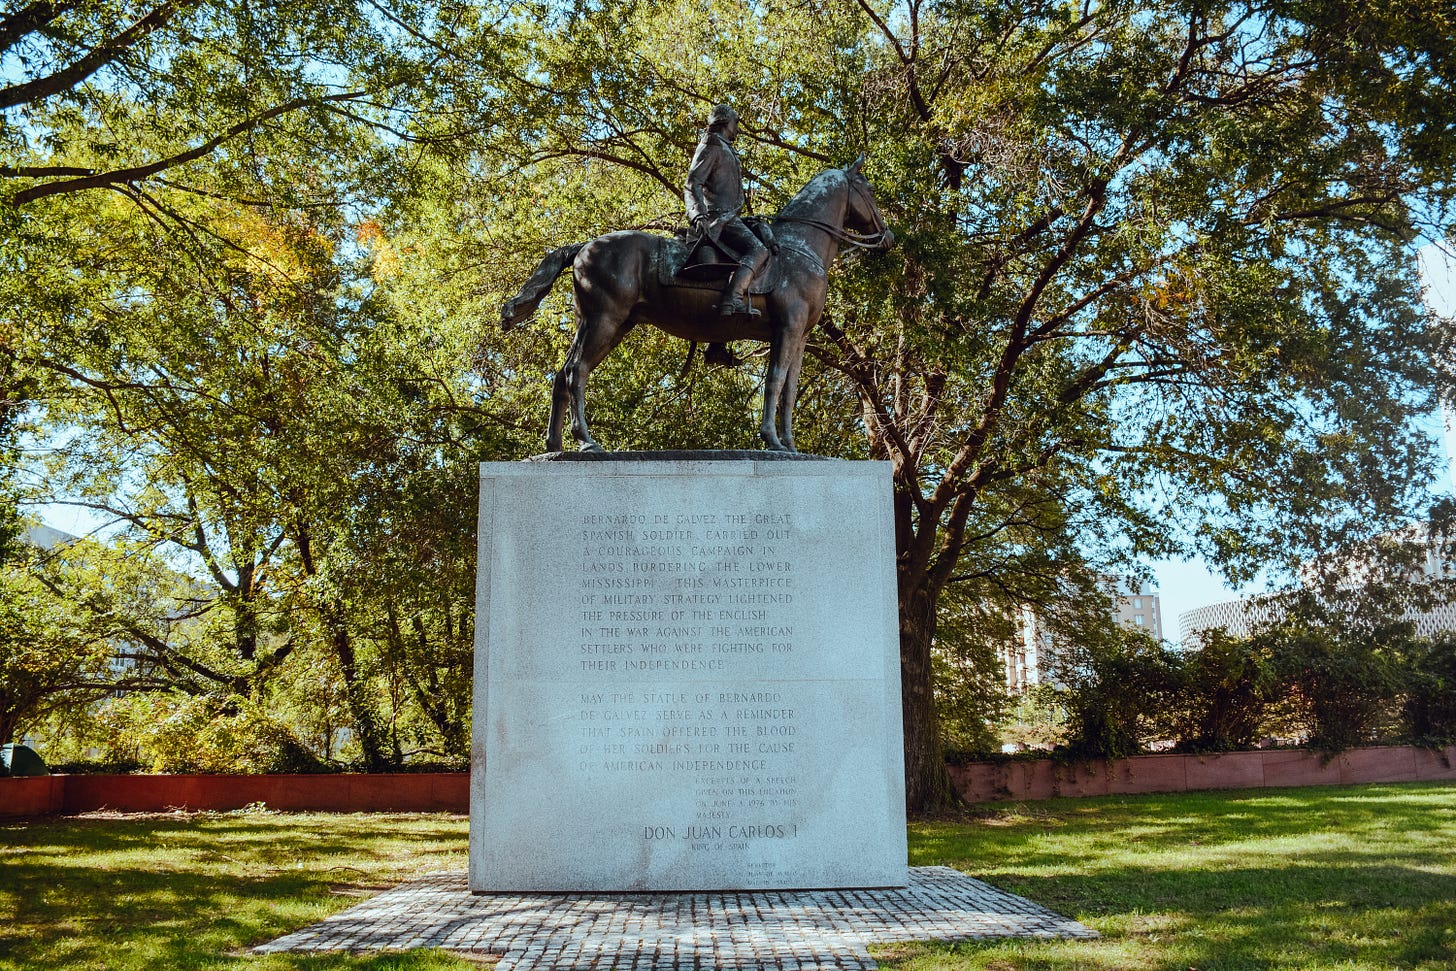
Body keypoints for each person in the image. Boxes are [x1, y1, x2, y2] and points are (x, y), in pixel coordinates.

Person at [684, 104, 771, 317]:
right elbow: (693, 183)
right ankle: (732, 300)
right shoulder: (712, 145)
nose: (738, 128)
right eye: (736, 122)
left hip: (729, 216)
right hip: (718, 217)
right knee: (759, 250)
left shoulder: (725, 147)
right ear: (725, 122)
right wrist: (698, 215)